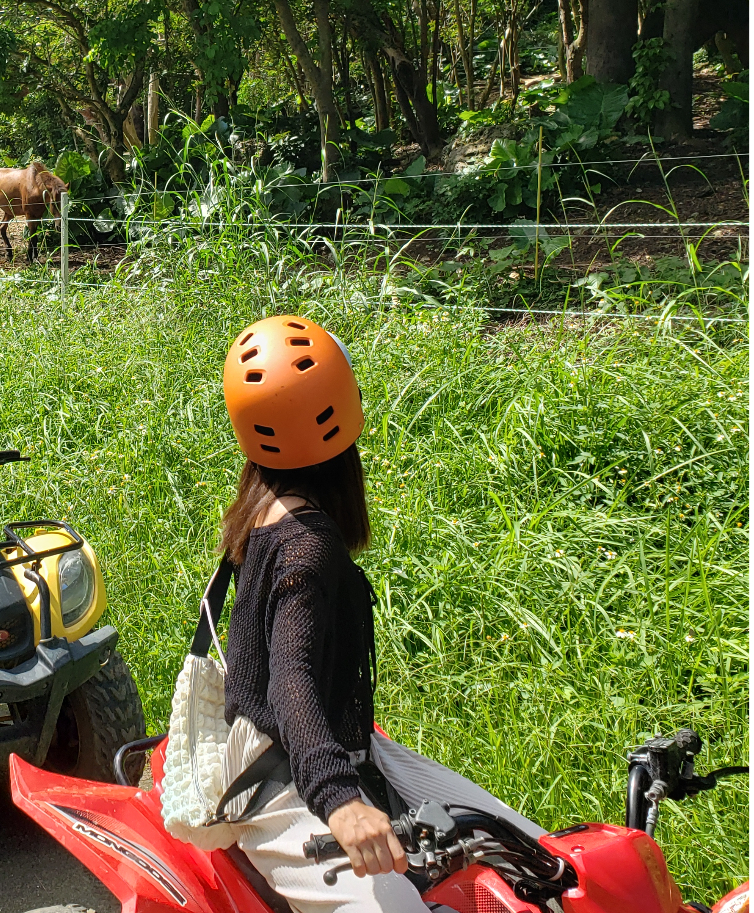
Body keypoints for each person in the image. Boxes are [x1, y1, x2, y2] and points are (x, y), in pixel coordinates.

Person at [218, 315, 546, 913]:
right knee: (395, 906)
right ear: (345, 412)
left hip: (314, 742)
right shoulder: (307, 546)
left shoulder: (262, 499)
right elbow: (292, 682)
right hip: (277, 767)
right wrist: (340, 800)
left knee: (535, 854)